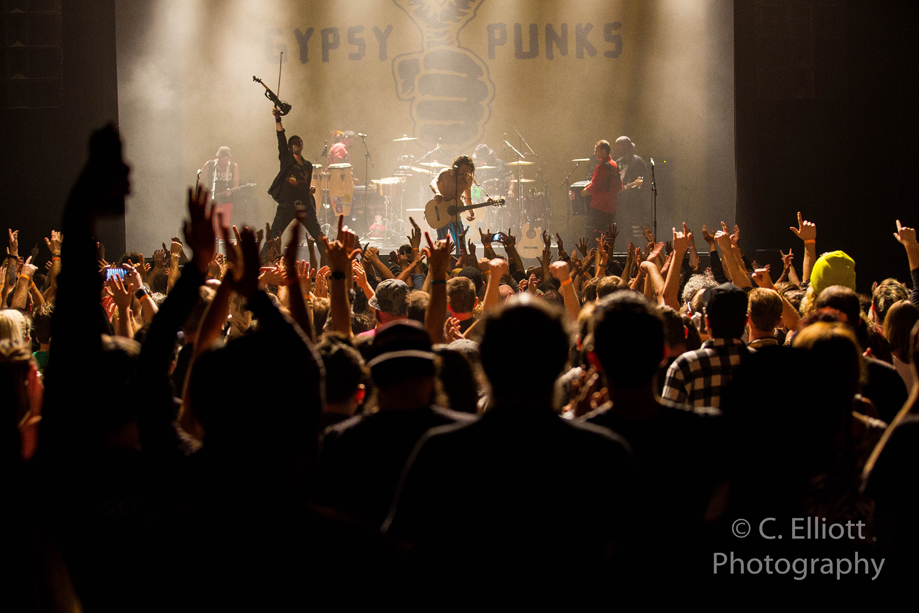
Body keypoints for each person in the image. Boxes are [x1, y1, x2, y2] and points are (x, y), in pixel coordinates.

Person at [266, 107, 324, 259]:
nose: (297, 145)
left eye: (299, 143)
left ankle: (330, 264)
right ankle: (263, 263)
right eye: (294, 143)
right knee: (274, 235)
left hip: (304, 206)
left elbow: (304, 184)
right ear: (291, 146)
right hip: (287, 206)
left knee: (319, 235)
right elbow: (280, 137)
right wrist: (278, 119)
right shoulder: (287, 160)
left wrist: (309, 189)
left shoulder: (308, 165)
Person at [429, 154, 476, 246]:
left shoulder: (467, 179)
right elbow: (433, 182)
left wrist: (471, 211)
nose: (465, 173)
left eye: (467, 170)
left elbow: (467, 198)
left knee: (461, 243)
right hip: (441, 210)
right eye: (463, 170)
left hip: (454, 213)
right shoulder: (446, 173)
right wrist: (437, 193)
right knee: (442, 244)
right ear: (456, 167)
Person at [580, 140, 622, 242]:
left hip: (599, 207)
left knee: (593, 236)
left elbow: (594, 187)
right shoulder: (614, 164)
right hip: (611, 207)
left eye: (596, 150)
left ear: (604, 151)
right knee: (607, 236)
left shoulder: (602, 167)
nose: (595, 153)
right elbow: (619, 187)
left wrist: (581, 193)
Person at [613, 136, 649, 239]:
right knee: (625, 233)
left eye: (618, 146)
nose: (616, 149)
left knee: (638, 234)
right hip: (621, 205)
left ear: (626, 146)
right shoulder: (618, 162)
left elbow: (642, 182)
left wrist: (628, 187)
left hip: (635, 205)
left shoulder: (637, 162)